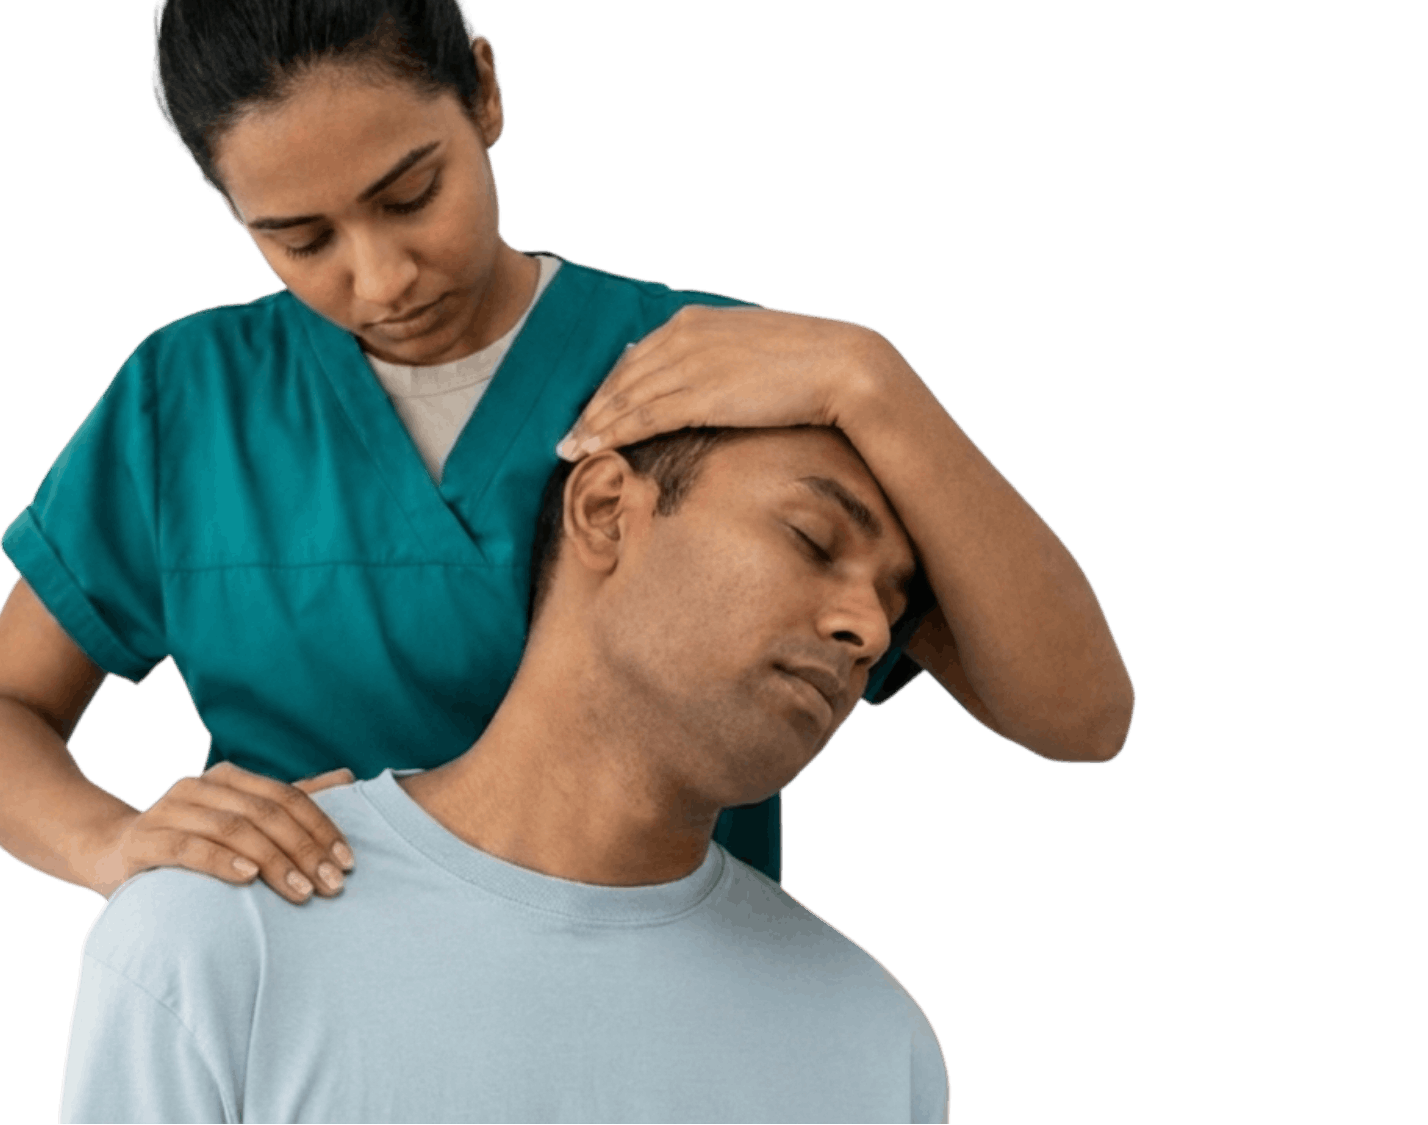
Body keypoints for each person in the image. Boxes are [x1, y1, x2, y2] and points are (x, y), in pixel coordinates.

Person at [0, 0, 1131, 1101]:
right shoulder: (189, 399)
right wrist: (118, 846)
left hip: (678, 1032)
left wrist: (873, 379)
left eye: (412, 193)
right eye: (300, 238)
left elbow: (1078, 714)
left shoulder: (715, 374)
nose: (380, 276)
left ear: (486, 91)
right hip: (310, 1024)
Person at [57, 420, 950, 1123]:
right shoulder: (219, 937)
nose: (868, 630)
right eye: (813, 537)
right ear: (606, 509)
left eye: (894, 604)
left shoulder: (876, 1041)